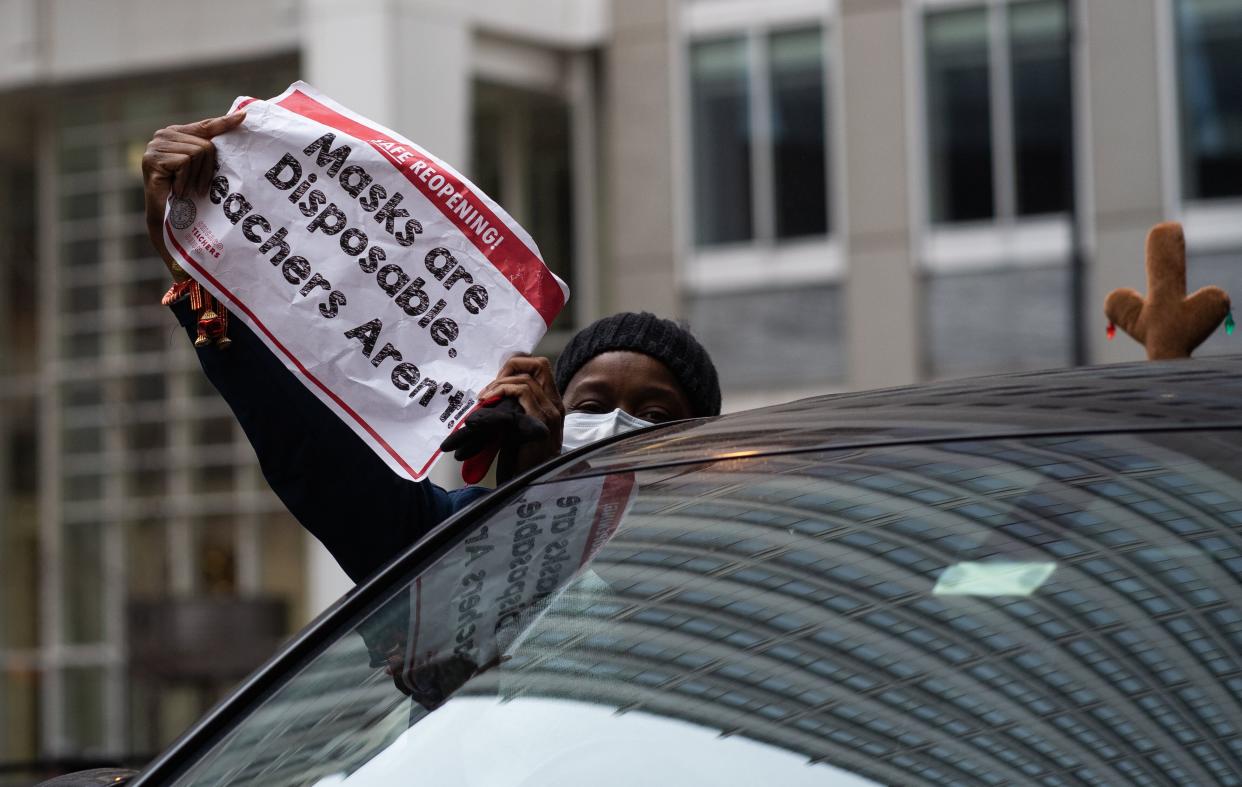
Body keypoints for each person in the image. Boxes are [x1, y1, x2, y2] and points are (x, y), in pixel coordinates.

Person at [141, 113, 722, 583]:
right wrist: (196, 252)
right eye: (591, 408)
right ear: (548, 416)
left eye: (653, 417)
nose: (618, 426)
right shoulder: (445, 540)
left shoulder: (736, 566)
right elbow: (306, 449)